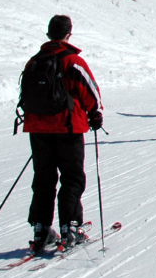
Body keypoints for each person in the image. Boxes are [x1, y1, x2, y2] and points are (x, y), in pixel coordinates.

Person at [19, 15, 103, 253]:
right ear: (69, 34)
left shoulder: (33, 61)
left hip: (38, 128)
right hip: (68, 128)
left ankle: (41, 229)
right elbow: (90, 92)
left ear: (48, 34)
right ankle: (70, 227)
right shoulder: (73, 61)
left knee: (43, 179)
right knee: (72, 177)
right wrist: (95, 114)